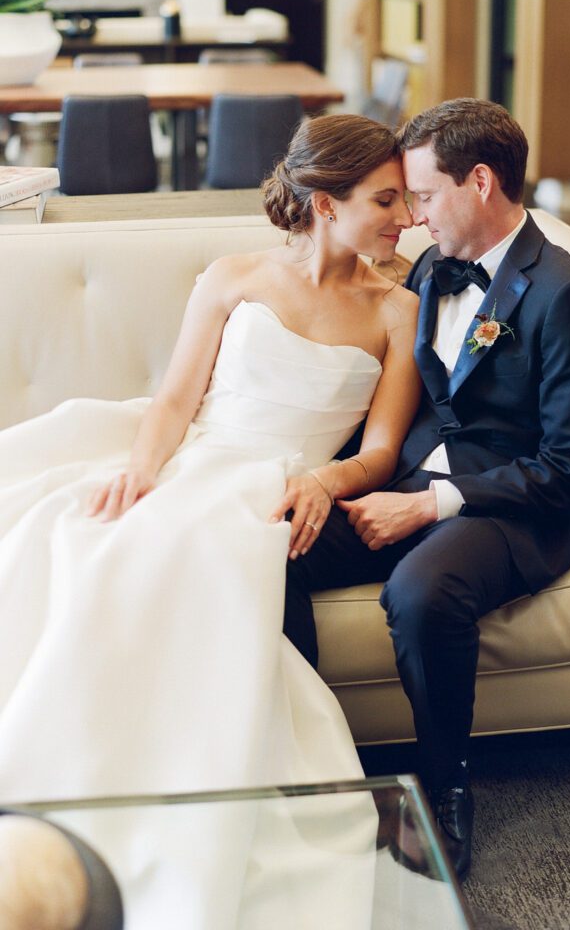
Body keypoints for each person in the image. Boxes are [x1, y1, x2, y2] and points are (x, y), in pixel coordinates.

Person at [0, 113, 418, 927]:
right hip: (196, 455)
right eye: (386, 200)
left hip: (279, 482)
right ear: (326, 204)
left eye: (405, 200)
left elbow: (381, 452)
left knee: (201, 551)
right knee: (84, 533)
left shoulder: (396, 310)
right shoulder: (235, 276)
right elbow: (175, 400)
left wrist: (324, 483)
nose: (404, 220)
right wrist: (142, 469)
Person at [284, 97, 570, 880]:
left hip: (515, 507)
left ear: (480, 181)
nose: (411, 215)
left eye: (424, 196)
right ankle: (310, 768)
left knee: (421, 591)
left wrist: (433, 504)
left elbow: (568, 467)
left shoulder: (569, 295)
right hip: (414, 482)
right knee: (278, 546)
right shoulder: (435, 267)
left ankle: (445, 789)